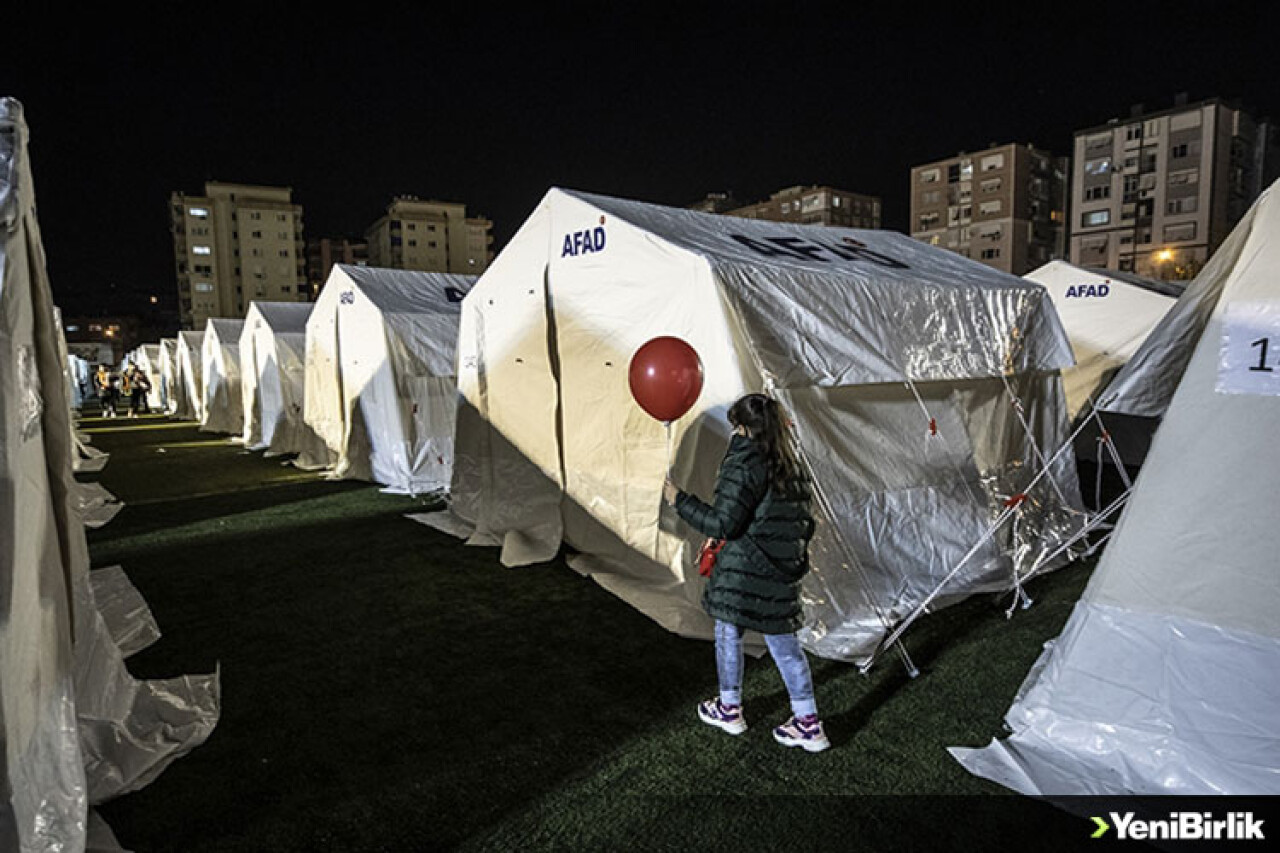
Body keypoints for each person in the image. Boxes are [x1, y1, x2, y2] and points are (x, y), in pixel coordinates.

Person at [662, 393, 828, 752]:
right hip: (780, 570)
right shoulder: (792, 463)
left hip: (745, 569)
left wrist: (679, 500)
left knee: (728, 633)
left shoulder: (745, 461)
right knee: (785, 646)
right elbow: (801, 524)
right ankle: (808, 722)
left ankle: (730, 708)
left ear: (741, 427)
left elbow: (725, 522)